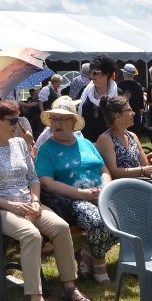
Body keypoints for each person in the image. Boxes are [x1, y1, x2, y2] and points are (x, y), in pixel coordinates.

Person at [0, 100, 92, 301]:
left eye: (19, 119)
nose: (18, 124)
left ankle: (69, 286)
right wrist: (10, 205)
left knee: (61, 227)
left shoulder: (18, 144)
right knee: (31, 235)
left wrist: (35, 200)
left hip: (28, 204)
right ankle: (37, 300)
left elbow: (33, 179)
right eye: (13, 120)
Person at [36, 98, 118, 284]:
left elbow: (104, 170)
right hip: (72, 201)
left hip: (101, 195)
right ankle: (99, 265)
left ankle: (86, 252)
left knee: (132, 215)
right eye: (54, 119)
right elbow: (46, 183)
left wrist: (105, 186)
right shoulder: (46, 150)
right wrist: (82, 194)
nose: (57, 123)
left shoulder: (87, 144)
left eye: (63, 119)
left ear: (73, 123)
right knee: (99, 222)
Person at [95, 96, 152, 251]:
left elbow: (145, 165)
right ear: (118, 116)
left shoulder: (132, 136)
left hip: (141, 189)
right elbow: (113, 172)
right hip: (120, 193)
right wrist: (144, 170)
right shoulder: (105, 139)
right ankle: (137, 253)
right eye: (129, 110)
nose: (133, 113)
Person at [78, 54, 118, 142]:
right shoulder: (84, 91)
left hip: (110, 142)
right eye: (90, 71)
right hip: (87, 142)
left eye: (95, 73)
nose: (91, 75)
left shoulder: (118, 93)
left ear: (107, 73)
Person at [117, 63, 146, 135]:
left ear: (124, 73)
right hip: (135, 115)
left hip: (122, 114)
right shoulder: (138, 86)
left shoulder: (119, 85)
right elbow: (141, 106)